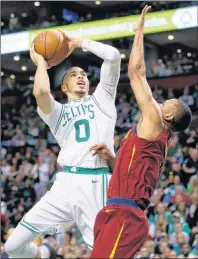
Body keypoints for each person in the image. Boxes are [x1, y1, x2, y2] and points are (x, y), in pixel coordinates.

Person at [4, 32, 121, 258]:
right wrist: (40, 62)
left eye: (84, 75)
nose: (80, 77)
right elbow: (40, 91)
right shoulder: (57, 113)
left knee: (104, 253)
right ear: (64, 88)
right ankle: (45, 254)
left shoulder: (103, 99)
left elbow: (114, 56)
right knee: (13, 247)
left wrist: (80, 43)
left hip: (95, 182)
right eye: (73, 75)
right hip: (64, 183)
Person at [89, 5, 192, 258]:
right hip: (118, 209)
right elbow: (130, 174)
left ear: (168, 115)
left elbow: (136, 73)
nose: (160, 101)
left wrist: (139, 32)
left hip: (125, 215)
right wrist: (111, 158)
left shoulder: (156, 122)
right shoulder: (150, 137)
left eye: (168, 102)